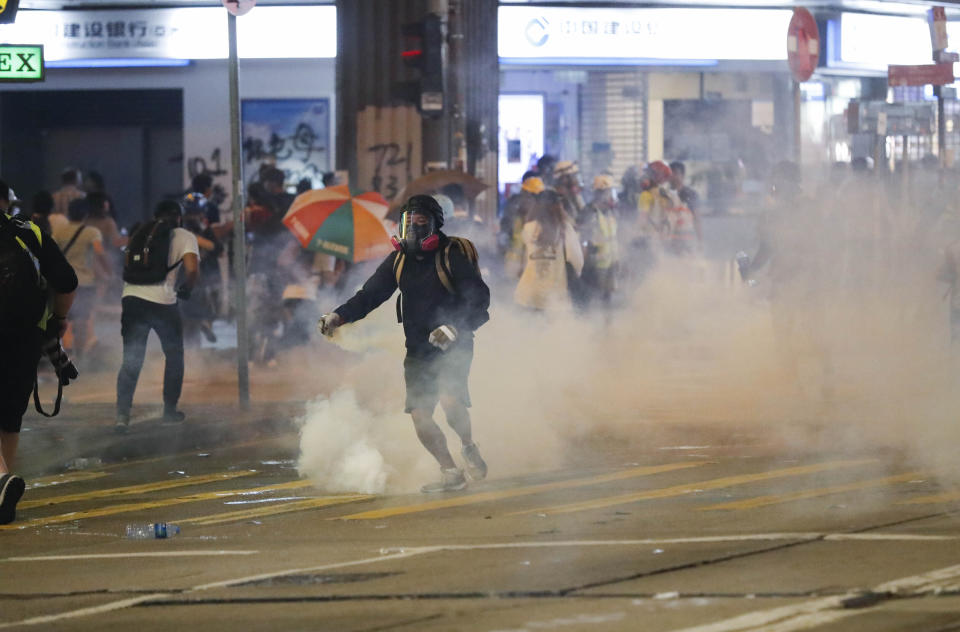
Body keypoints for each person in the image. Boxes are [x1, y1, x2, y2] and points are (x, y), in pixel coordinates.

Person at [318, 195, 491, 493]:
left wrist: (454, 329)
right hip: (418, 350)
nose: (412, 228)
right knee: (421, 417)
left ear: (435, 224)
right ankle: (450, 472)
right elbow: (369, 296)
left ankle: (468, 445)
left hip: (455, 344)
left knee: (451, 404)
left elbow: (480, 303)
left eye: (421, 221)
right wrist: (338, 316)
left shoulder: (452, 255)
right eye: (407, 221)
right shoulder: (398, 260)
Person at [0, 179, 78, 524]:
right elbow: (67, 281)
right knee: (8, 416)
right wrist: (59, 319)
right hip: (25, 335)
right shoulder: (27, 231)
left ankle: (2, 482)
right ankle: (2, 495)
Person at [115, 200, 199, 433]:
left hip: (131, 298)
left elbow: (127, 264)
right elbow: (192, 269)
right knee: (174, 356)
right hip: (163, 302)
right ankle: (169, 411)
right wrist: (186, 289)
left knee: (132, 359)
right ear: (179, 218)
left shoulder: (140, 231)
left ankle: (122, 416)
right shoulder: (184, 235)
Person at [52, 198, 111, 359]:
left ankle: (69, 354)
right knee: (83, 319)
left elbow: (51, 254)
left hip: (63, 282)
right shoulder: (92, 232)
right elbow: (99, 253)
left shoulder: (59, 231)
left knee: (66, 319)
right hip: (84, 282)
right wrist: (108, 271)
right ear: (85, 214)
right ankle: (82, 355)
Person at [514, 189, 584, 312]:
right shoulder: (565, 229)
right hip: (555, 295)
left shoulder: (528, 227)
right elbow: (577, 259)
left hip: (529, 294)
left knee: (530, 330)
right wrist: (576, 273)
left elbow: (524, 259)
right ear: (558, 206)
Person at [578, 175, 620, 308]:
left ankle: (606, 325)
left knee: (608, 298)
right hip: (595, 264)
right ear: (598, 193)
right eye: (607, 192)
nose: (609, 196)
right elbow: (582, 237)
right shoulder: (589, 211)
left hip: (611, 261)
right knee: (594, 298)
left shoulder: (611, 211)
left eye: (610, 191)